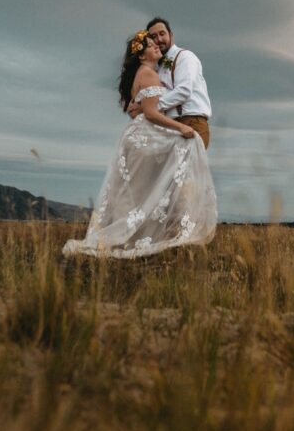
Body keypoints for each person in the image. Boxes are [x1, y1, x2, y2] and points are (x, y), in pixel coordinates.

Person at [63, 30, 217, 258]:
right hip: (145, 136)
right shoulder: (149, 75)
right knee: (152, 186)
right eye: (150, 44)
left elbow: (150, 108)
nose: (156, 45)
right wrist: (181, 128)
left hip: (139, 135)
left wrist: (144, 107)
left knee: (141, 190)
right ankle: (156, 235)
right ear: (142, 56)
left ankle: (140, 234)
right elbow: (152, 114)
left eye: (158, 40)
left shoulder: (156, 69)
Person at [126, 17, 212, 148]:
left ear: (171, 35)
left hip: (191, 121)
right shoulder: (155, 67)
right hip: (169, 126)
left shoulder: (185, 57)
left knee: (187, 168)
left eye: (162, 34)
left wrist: (148, 108)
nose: (159, 40)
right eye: (154, 36)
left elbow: (184, 90)